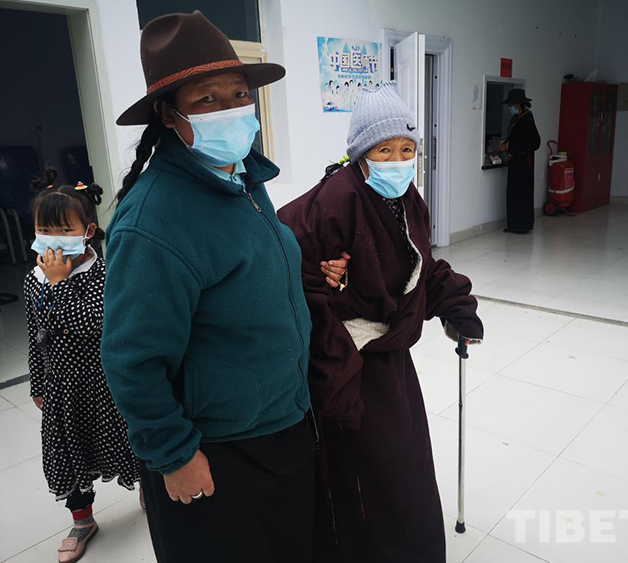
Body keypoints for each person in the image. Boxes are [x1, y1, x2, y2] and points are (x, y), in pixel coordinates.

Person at [101, 12, 348, 563]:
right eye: (207, 99)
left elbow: (252, 267)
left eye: (239, 94)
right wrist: (173, 455)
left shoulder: (243, 177)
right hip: (217, 450)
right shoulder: (154, 222)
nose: (232, 109)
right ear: (169, 115)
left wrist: (312, 273)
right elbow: (131, 359)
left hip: (282, 422)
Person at [278, 82, 484, 563]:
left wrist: (455, 305)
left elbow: (419, 265)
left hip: (389, 356)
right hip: (345, 358)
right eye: (384, 150)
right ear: (360, 154)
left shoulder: (407, 198)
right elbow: (288, 255)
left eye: (406, 149)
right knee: (367, 467)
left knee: (404, 459)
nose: (397, 160)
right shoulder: (336, 199)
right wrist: (321, 282)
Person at [24, 169, 140, 563]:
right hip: (61, 388)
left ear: (88, 231)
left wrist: (60, 284)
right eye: (45, 229)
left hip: (104, 384)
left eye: (63, 230)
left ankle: (150, 489)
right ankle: (82, 520)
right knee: (67, 454)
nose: (53, 239)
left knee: (127, 444)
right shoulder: (34, 279)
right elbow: (36, 334)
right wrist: (38, 383)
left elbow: (91, 324)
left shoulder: (101, 274)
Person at [495, 89, 541, 233]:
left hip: (523, 163)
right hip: (515, 162)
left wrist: (510, 146)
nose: (510, 108)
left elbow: (534, 142)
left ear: (517, 105)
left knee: (521, 193)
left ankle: (521, 225)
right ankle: (514, 224)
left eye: (511, 105)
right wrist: (505, 144)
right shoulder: (516, 118)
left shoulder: (527, 119)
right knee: (514, 192)